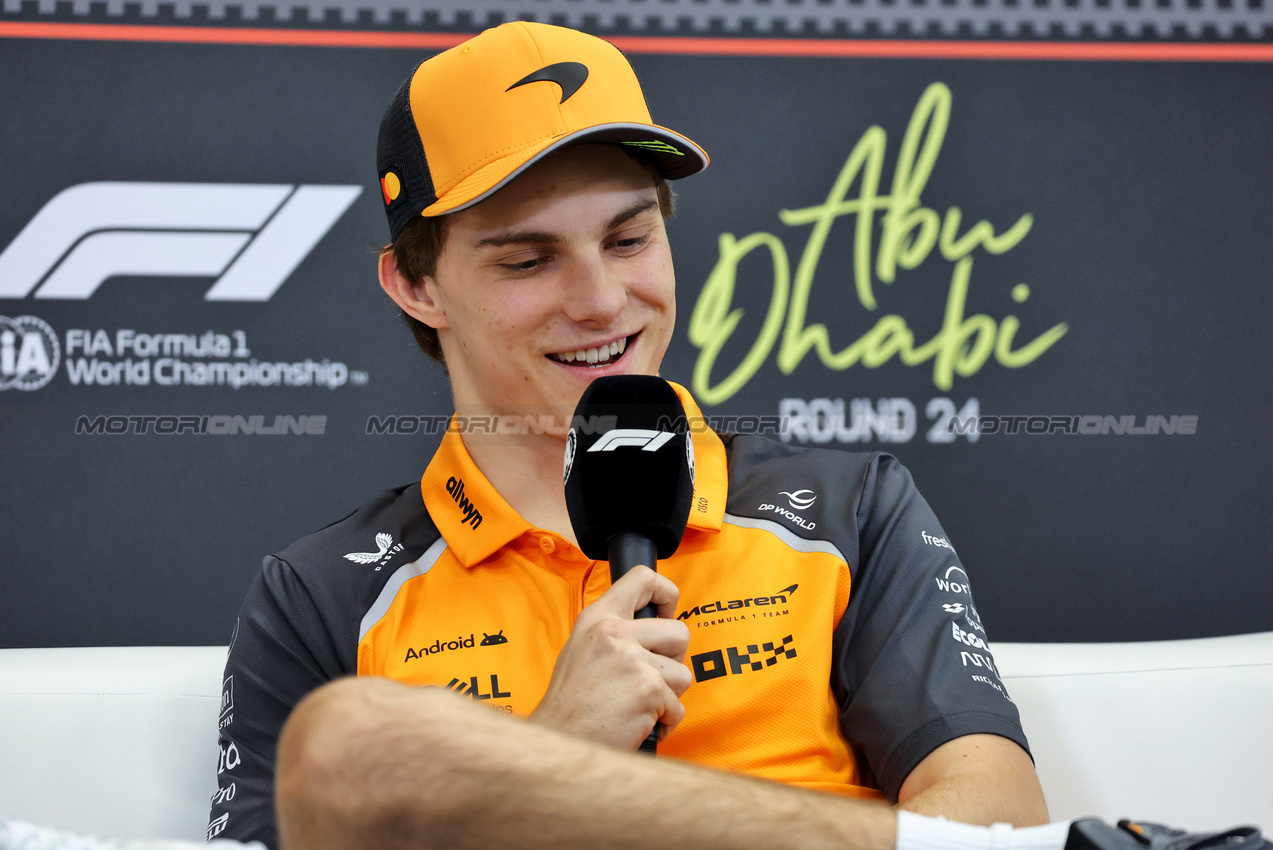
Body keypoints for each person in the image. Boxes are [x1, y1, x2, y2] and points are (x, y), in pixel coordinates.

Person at [210, 20, 1049, 849]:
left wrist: (541, 787)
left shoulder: (845, 510)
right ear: (417, 286)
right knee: (346, 743)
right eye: (528, 260)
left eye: (628, 239)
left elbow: (1001, 820)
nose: (603, 301)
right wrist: (557, 745)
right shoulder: (321, 595)